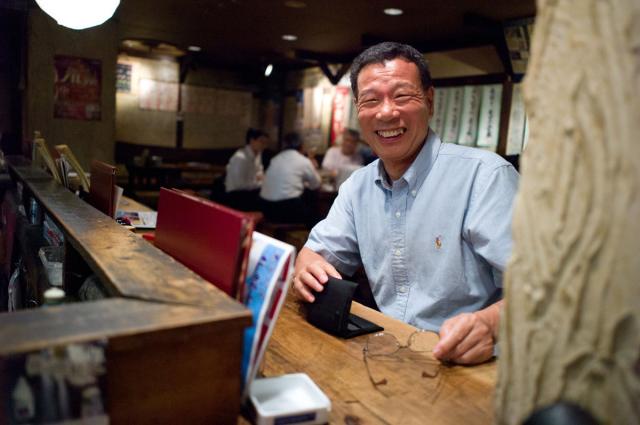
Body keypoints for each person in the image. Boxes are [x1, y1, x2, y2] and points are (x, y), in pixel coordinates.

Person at [293, 42, 519, 365]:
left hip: (474, 364)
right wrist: (307, 268)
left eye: (401, 96)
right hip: (393, 355)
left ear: (429, 100)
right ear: (358, 109)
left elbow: (540, 289)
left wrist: (490, 325)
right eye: (371, 100)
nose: (386, 112)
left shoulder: (485, 176)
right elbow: (315, 253)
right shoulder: (358, 187)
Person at [260, 132, 321, 227]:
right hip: (287, 209)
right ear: (301, 146)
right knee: (315, 211)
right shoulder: (303, 161)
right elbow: (316, 184)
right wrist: (313, 168)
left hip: (265, 207)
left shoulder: (275, 159)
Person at [224, 128, 268, 211]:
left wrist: (260, 181)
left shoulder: (258, 154)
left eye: (266, 143)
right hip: (236, 195)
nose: (264, 146)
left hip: (250, 192)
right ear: (252, 141)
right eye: (261, 142)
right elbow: (240, 185)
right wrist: (260, 183)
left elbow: (260, 174)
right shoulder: (240, 157)